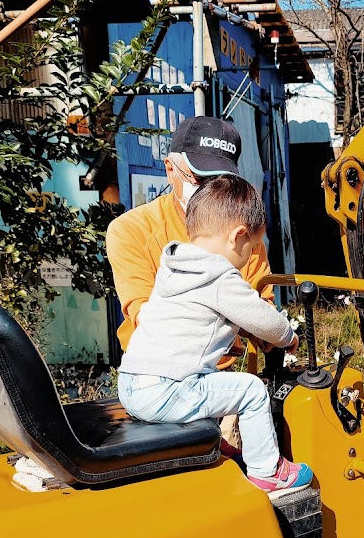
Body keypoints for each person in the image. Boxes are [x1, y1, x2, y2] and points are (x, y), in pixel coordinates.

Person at [117, 175, 312, 494]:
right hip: (166, 391)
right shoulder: (220, 277)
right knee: (249, 389)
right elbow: (265, 319)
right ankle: (267, 470)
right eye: (251, 248)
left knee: (204, 377)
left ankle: (213, 446)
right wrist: (288, 337)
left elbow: (195, 324)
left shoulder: (174, 266)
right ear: (238, 238)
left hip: (133, 385)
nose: (249, 258)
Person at [106, 115, 273, 355]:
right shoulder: (131, 230)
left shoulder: (241, 231)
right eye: (200, 179)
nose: (210, 190)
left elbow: (261, 309)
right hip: (156, 370)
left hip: (218, 372)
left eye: (219, 180)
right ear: (170, 170)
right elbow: (145, 318)